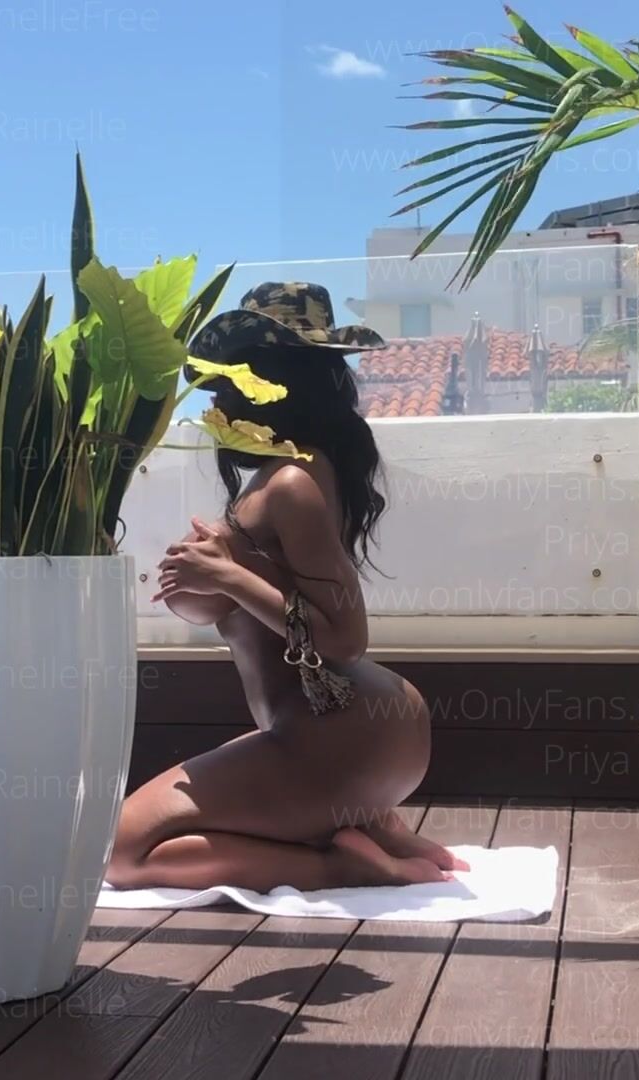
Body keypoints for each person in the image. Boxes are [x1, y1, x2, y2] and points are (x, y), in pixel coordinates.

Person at [107, 283, 466, 892]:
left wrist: (225, 576)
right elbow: (247, 604)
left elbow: (345, 638)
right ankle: (369, 827)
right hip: (356, 735)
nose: (215, 396)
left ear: (273, 383)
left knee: (122, 852)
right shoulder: (298, 473)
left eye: (229, 380)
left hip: (342, 739)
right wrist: (214, 578)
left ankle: (341, 863)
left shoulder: (292, 483)